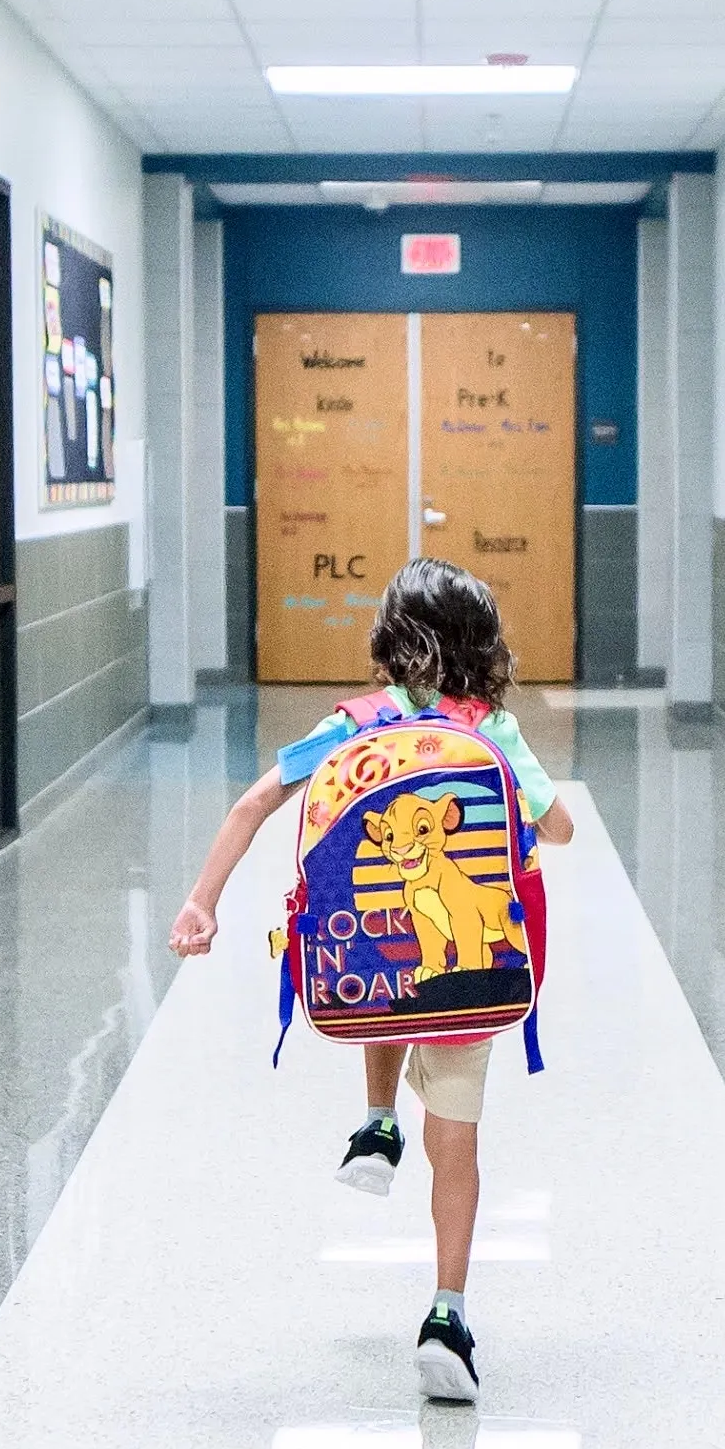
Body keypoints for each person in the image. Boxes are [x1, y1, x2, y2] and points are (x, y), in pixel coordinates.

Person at [168, 558, 575, 1404]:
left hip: (369, 966)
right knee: (456, 1139)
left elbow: (252, 805)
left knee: (383, 973)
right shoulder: (492, 728)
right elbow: (559, 829)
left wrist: (202, 903)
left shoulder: (353, 724)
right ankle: (447, 1316)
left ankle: (378, 1122)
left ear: (389, 641)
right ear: (483, 645)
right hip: (474, 971)